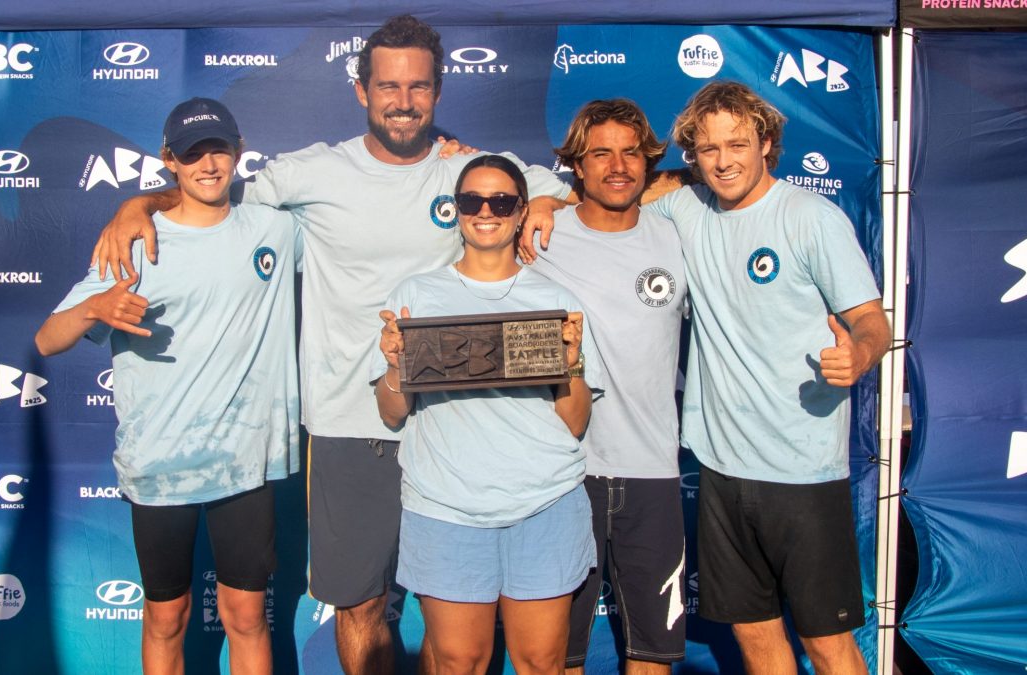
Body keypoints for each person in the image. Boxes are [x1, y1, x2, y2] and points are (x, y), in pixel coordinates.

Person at [89, 15, 571, 675]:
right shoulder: (310, 173)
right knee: (358, 604)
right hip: (350, 430)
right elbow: (209, 201)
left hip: (453, 425)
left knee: (452, 613)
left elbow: (565, 193)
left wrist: (545, 204)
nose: (403, 101)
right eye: (388, 86)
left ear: (439, 91)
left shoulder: (474, 175)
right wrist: (139, 204)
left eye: (419, 87)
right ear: (360, 91)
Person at [524, 81, 891, 675]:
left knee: (827, 644)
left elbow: (870, 319)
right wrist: (548, 199)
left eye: (737, 144)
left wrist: (862, 353)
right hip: (720, 470)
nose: (724, 160)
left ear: (766, 143)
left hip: (803, 469)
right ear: (692, 157)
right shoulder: (684, 210)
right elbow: (617, 187)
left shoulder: (811, 217)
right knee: (754, 635)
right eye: (708, 149)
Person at [35, 98, 299, 675]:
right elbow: (48, 340)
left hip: (244, 460)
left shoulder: (276, 228)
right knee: (166, 618)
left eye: (218, 149)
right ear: (169, 161)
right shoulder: (132, 244)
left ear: (238, 151)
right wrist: (96, 308)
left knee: (248, 618)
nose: (208, 164)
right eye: (191, 153)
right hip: (159, 462)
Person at [372, 154, 603, 675]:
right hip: (445, 507)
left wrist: (570, 364)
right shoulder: (415, 296)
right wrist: (394, 367)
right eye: (472, 200)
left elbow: (576, 420)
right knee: (458, 663)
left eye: (501, 202)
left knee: (542, 663)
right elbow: (391, 413)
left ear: (521, 211)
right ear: (455, 210)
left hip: (545, 504)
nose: (486, 211)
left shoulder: (556, 301)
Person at [528, 99, 688, 674]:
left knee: (654, 657)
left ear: (649, 161)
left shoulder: (676, 237)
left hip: (654, 474)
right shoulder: (537, 237)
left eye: (630, 152)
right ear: (576, 164)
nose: (618, 166)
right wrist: (543, 201)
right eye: (601, 153)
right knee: (558, 658)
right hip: (563, 476)